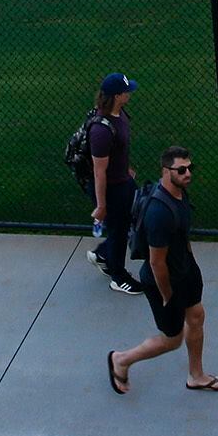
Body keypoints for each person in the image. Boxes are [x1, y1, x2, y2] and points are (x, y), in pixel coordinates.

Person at [107, 145, 218, 394]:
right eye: (182, 169)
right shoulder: (159, 213)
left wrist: (190, 260)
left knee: (196, 316)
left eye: (190, 168)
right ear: (166, 171)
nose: (188, 174)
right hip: (164, 282)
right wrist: (167, 295)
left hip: (185, 270)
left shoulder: (181, 194)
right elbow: (156, 262)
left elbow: (182, 234)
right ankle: (120, 360)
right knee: (172, 340)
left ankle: (196, 376)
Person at [84, 73, 142, 295]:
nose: (130, 93)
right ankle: (118, 277)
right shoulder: (101, 131)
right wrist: (101, 206)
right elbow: (99, 173)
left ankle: (102, 255)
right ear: (117, 96)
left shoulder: (120, 115)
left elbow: (118, 151)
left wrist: (125, 168)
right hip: (110, 188)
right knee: (119, 231)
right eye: (127, 91)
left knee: (128, 223)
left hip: (122, 181)